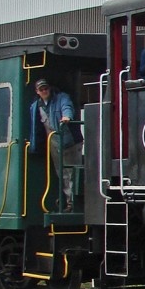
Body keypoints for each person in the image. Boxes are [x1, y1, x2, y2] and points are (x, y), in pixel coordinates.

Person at [28, 78, 82, 211]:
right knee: (61, 173)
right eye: (41, 89)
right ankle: (69, 202)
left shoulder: (61, 98)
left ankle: (74, 204)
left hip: (69, 142)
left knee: (72, 173)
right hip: (53, 144)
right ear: (37, 91)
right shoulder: (36, 106)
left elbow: (67, 107)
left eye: (46, 88)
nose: (44, 91)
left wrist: (67, 117)